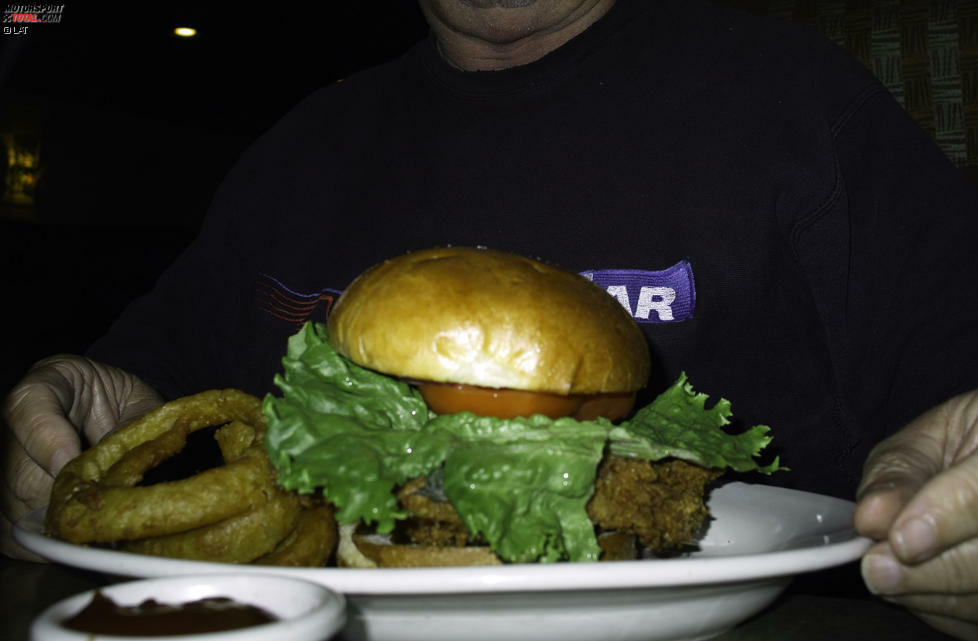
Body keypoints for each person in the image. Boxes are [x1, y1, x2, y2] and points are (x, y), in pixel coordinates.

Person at [3, 0, 977, 637]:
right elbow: (145, 396)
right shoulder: (298, 148)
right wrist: (84, 413)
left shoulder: (792, 100)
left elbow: (954, 388)